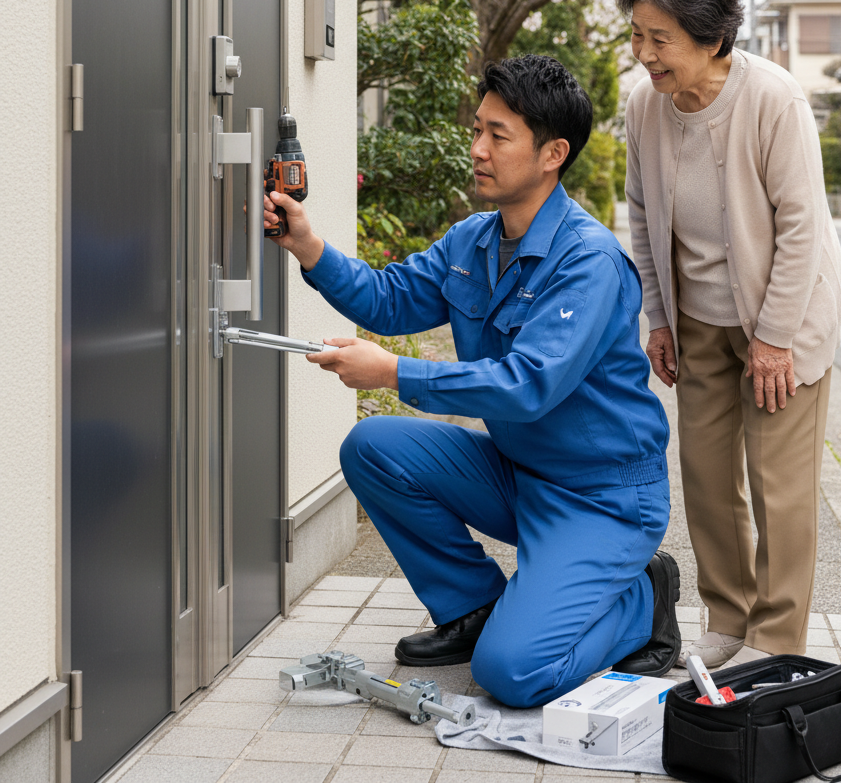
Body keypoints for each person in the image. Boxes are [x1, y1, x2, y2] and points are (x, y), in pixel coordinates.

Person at [264, 54, 681, 708]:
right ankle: (474, 606)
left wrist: (396, 371)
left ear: (552, 154)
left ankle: (643, 604)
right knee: (373, 448)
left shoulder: (589, 262)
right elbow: (388, 299)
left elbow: (527, 385)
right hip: (521, 474)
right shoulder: (474, 242)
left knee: (514, 675)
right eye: (478, 129)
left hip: (601, 499)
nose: (477, 148)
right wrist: (308, 246)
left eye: (498, 135)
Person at [618, 0, 841, 669]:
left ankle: (777, 642)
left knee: (780, 487)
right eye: (638, 35)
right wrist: (658, 315)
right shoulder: (643, 105)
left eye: (660, 39)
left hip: (783, 316)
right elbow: (642, 216)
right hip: (699, 322)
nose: (644, 54)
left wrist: (775, 339)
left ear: (712, 37)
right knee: (709, 478)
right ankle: (728, 615)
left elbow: (803, 226)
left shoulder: (772, 98)